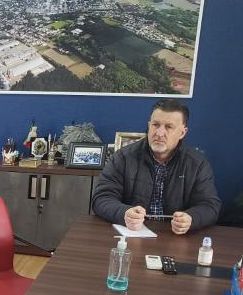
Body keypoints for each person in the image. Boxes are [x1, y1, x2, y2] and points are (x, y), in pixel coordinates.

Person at [92, 99, 221, 235]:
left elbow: (210, 206)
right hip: (132, 235)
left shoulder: (197, 163)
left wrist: (191, 218)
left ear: (182, 133)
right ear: (149, 126)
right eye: (155, 125)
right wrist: (124, 213)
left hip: (174, 237)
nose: (159, 133)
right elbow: (101, 198)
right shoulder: (123, 157)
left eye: (168, 127)